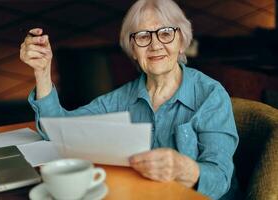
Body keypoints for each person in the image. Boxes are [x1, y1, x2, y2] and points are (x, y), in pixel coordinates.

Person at [20, 0, 240, 199]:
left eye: (165, 33)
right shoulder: (120, 99)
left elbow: (220, 179)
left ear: (181, 41)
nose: (155, 45)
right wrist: (42, 71)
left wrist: (184, 168)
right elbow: (59, 132)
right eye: (143, 36)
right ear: (133, 50)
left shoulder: (210, 95)